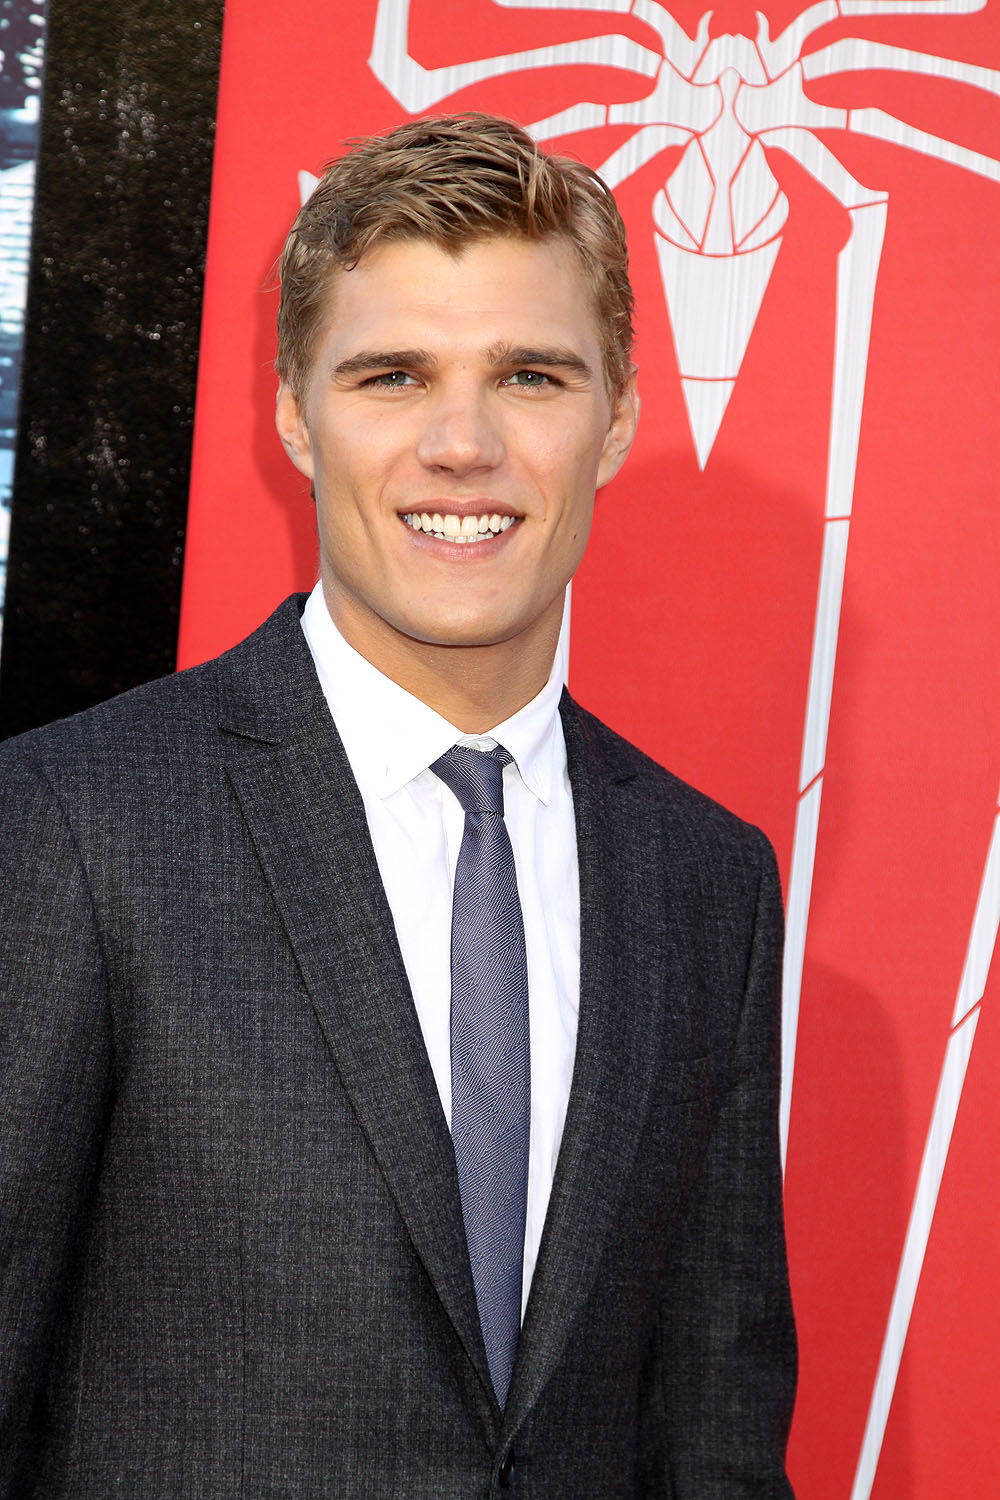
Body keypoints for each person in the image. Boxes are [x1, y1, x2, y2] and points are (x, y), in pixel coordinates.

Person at [0, 113, 796, 1497]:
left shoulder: (706, 878)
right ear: (294, 417)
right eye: (392, 376)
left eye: (531, 375)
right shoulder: (72, 824)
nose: (462, 444)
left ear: (617, 419)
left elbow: (714, 1429)